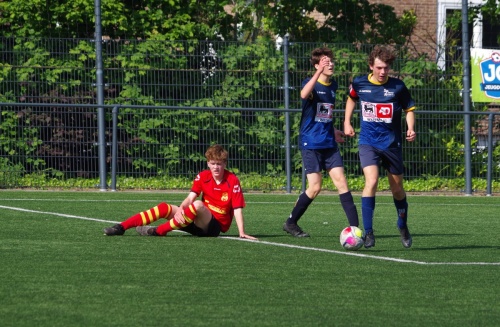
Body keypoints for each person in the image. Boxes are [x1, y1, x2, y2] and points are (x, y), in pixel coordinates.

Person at [343, 45, 416, 248]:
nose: (383, 72)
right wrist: (347, 122)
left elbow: (409, 108)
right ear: (371, 66)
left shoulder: (398, 86)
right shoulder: (359, 83)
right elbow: (351, 99)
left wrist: (410, 127)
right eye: (379, 67)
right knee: (372, 181)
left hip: (391, 144)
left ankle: (402, 224)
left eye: (386, 68)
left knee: (397, 189)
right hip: (368, 142)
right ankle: (368, 233)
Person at [103, 144, 257, 240]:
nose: (216, 167)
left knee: (198, 204)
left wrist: (241, 232)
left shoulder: (232, 180)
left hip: (212, 227)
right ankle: (121, 227)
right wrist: (181, 210)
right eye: (212, 164)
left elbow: (237, 209)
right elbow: (190, 198)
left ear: (225, 163)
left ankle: (159, 231)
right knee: (165, 207)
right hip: (194, 219)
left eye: (219, 164)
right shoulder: (203, 176)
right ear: (208, 163)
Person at [283, 47, 360, 238]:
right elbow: (303, 95)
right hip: (311, 143)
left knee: (342, 183)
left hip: (329, 143)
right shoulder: (310, 84)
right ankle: (291, 223)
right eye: (325, 62)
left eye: (331, 61)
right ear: (317, 65)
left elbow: (324, 114)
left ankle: (357, 230)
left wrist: (334, 131)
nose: (330, 64)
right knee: (315, 187)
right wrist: (317, 73)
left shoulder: (333, 86)